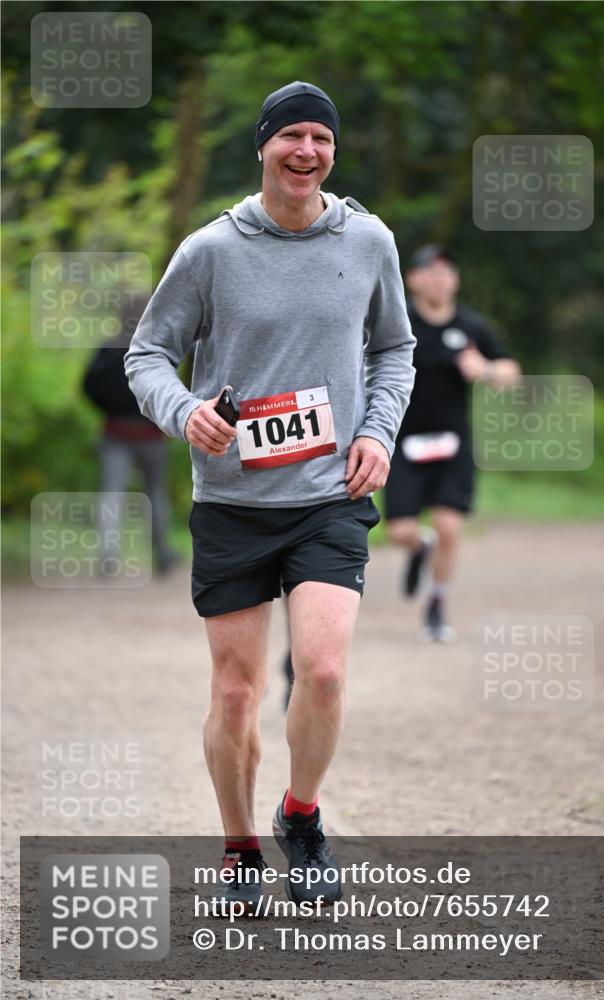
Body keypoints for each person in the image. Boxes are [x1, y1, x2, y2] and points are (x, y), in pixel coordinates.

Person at [125, 81, 415, 913]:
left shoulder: (367, 241)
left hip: (330, 494)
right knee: (235, 691)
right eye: (290, 136)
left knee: (321, 672)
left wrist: (377, 434)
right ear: (261, 147)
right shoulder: (209, 251)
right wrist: (184, 414)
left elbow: (394, 349)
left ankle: (301, 816)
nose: (306, 152)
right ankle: (239, 846)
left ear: (333, 152)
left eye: (320, 139)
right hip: (233, 501)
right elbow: (147, 356)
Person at [384, 245, 520, 641]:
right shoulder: (398, 322)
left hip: (452, 445)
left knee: (449, 527)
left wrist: (487, 369)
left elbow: (511, 371)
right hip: (403, 442)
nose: (438, 278)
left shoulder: (472, 327)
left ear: (455, 280)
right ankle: (418, 547)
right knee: (400, 532)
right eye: (429, 270)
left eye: (446, 271)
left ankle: (438, 605)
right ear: (413, 279)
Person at [82, 303, 180, 575]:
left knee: (112, 492)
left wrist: (107, 409)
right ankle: (162, 554)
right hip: (150, 434)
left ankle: (108, 554)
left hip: (115, 432)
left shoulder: (108, 348)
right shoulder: (157, 350)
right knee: (156, 493)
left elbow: (87, 385)